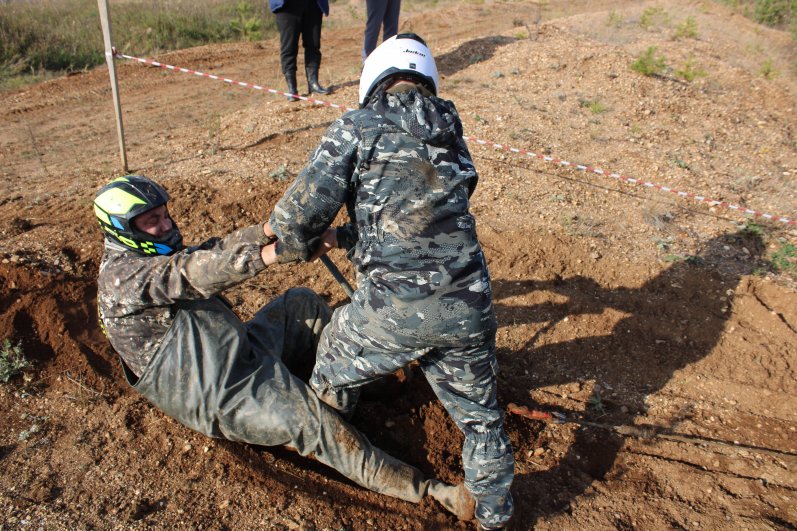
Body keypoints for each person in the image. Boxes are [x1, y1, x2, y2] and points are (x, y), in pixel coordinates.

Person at [93, 174, 475, 521]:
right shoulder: (122, 277)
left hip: (238, 351)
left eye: (164, 215)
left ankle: (364, 380)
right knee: (314, 422)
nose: (165, 226)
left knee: (301, 303)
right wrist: (270, 255)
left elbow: (212, 251)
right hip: (221, 394)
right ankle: (430, 491)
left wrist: (270, 229)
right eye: (151, 222)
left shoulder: (149, 252)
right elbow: (195, 273)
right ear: (124, 230)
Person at [267, 34, 514, 530]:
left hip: (396, 308)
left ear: (373, 78)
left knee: (332, 358)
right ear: (427, 78)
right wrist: (347, 236)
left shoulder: (357, 126)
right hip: (468, 303)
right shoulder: (449, 124)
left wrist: (288, 243)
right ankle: (495, 518)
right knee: (483, 421)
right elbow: (432, 208)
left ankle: (335, 451)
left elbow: (297, 217)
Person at [269, 0, 332, 100]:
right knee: (289, 47)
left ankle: (313, 84)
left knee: (313, 44)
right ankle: (292, 89)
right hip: (287, 5)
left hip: (313, 3)